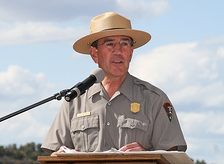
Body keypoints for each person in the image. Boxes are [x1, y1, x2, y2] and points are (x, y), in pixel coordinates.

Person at [41, 12, 187, 154]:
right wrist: (62, 156)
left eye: (124, 44)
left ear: (131, 52)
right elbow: (54, 156)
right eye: (110, 44)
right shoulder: (74, 100)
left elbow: (173, 162)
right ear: (94, 54)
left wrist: (148, 157)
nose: (118, 51)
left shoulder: (154, 99)